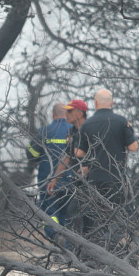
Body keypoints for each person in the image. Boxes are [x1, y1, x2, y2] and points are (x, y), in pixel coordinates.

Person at [75, 89, 138, 242]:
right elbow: (133, 147)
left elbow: (78, 153)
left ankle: (101, 248)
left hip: (95, 178)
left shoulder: (87, 124)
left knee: (99, 216)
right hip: (116, 177)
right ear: (112, 103)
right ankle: (110, 245)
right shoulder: (121, 121)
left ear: (95, 103)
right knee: (117, 215)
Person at [26, 103, 72, 239]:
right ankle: (68, 249)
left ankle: (56, 237)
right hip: (71, 180)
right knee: (67, 215)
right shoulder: (74, 131)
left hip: (48, 180)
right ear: (67, 114)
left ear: (53, 114)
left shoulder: (44, 131)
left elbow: (31, 154)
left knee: (49, 213)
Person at [46, 99, 89, 234]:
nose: (67, 114)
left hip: (93, 184)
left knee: (85, 219)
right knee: (72, 218)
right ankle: (73, 252)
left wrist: (89, 167)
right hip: (77, 183)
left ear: (80, 113)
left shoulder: (90, 130)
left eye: (70, 111)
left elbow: (101, 154)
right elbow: (67, 158)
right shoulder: (71, 133)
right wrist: (55, 179)